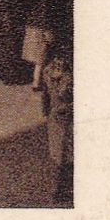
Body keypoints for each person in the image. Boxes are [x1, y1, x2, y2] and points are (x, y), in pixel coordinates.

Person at [40, 40, 73, 205]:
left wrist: (45, 110)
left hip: (58, 115)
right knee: (62, 154)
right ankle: (61, 189)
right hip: (61, 115)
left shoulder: (48, 71)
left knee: (61, 153)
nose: (58, 63)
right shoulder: (66, 75)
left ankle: (60, 189)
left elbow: (46, 95)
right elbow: (48, 94)